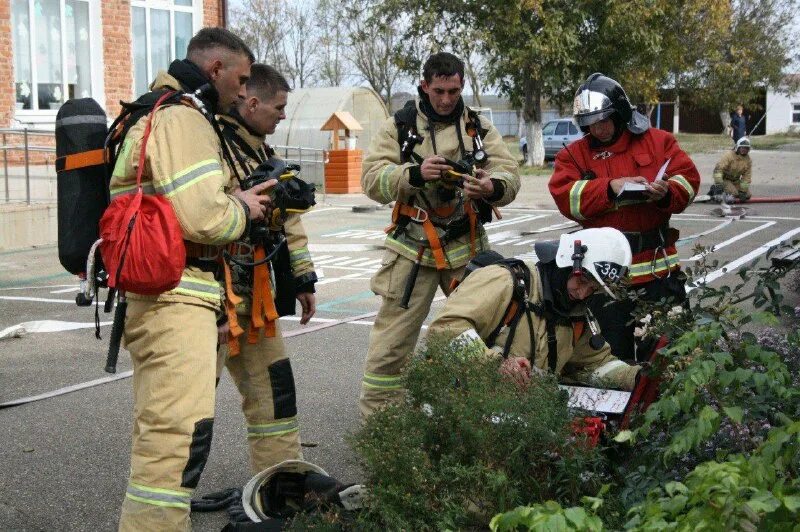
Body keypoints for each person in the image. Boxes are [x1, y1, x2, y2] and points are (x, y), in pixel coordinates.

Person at [109, 28, 273, 531]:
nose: (245, 92)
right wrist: (243, 208)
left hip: (174, 296)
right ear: (216, 70)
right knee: (173, 445)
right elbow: (206, 218)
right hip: (173, 300)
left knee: (170, 439)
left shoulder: (165, 110)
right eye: (241, 79)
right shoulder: (183, 118)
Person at [359, 52, 520, 418]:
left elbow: (509, 173)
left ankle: (476, 417)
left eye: (453, 90)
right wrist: (414, 174)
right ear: (424, 86)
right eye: (438, 91)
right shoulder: (398, 126)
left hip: (467, 247)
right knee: (390, 346)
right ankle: (382, 428)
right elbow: (371, 179)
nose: (446, 99)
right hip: (412, 250)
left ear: (461, 86)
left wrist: (491, 186)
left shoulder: (477, 126)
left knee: (487, 332)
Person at [549, 73, 700, 362]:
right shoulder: (574, 155)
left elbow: (689, 181)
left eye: (603, 120)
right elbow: (566, 197)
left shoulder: (658, 142)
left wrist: (667, 192)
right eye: (590, 123)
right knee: (608, 361)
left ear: (620, 113)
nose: (597, 129)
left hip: (658, 273)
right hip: (603, 278)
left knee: (668, 357)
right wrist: (608, 187)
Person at [216, 63, 317, 473]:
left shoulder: (260, 152)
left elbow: (288, 221)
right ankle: (167, 506)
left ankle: (281, 489)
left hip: (255, 304)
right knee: (188, 412)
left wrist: (302, 280)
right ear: (252, 102)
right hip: (211, 304)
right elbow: (195, 218)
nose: (283, 115)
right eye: (278, 107)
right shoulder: (209, 144)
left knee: (276, 393)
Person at [428, 227, 641, 390]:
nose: (583, 293)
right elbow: (446, 329)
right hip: (459, 403)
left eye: (593, 289)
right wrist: (495, 365)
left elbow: (595, 364)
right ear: (567, 262)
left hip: (513, 415)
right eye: (582, 280)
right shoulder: (504, 282)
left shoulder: (574, 315)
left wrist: (637, 378)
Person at [709, 136, 752, 202]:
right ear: (738, 147)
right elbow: (718, 169)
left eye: (746, 148)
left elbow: (747, 176)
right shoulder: (729, 156)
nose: (744, 149)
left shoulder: (748, 160)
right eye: (742, 147)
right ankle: (715, 191)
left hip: (736, 181)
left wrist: (743, 191)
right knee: (734, 193)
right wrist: (719, 184)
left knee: (748, 195)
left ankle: (726, 194)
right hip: (725, 179)